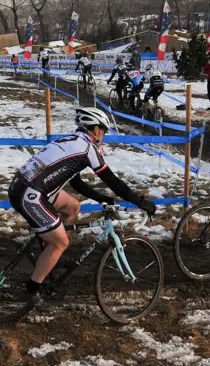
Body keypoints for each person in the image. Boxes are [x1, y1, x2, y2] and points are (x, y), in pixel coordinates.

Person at [8, 107, 157, 301]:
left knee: (72, 207)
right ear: (95, 130)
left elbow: (75, 181)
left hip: (25, 187)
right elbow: (112, 181)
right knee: (61, 242)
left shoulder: (70, 141)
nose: (103, 136)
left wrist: (101, 198)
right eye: (103, 131)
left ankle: (51, 255)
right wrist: (141, 202)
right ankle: (31, 290)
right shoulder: (87, 148)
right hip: (30, 195)